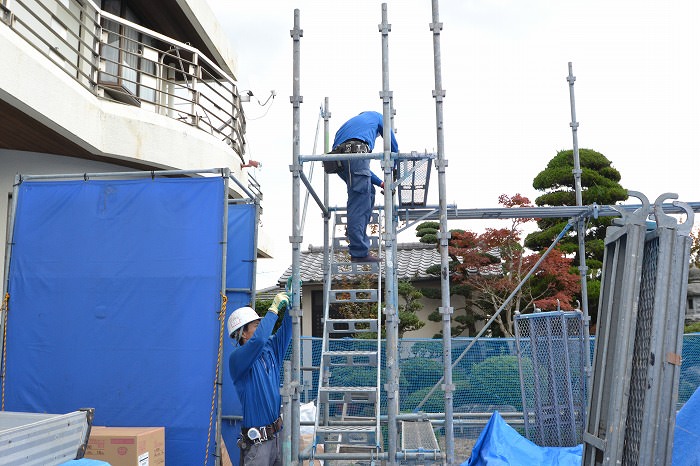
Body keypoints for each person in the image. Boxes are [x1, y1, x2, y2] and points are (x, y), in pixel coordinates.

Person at [228, 292, 292, 465]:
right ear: (243, 334)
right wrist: (273, 309)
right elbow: (259, 339)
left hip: (277, 437)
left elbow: (287, 329)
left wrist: (292, 305)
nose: (261, 327)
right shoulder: (237, 360)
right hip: (257, 446)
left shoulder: (270, 349)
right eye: (256, 325)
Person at [330, 111, 399, 263]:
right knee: (361, 200)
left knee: (368, 192)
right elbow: (393, 146)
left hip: (337, 160)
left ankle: (355, 229)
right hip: (355, 155)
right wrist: (393, 168)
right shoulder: (379, 117)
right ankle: (359, 252)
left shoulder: (353, 124)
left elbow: (361, 170)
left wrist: (381, 182)